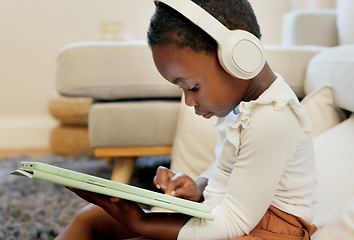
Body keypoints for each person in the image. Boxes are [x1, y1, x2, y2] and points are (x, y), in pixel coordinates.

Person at [55, 0, 318, 239]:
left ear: (239, 58)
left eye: (191, 86)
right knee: (91, 218)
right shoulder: (244, 107)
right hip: (231, 219)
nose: (189, 101)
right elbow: (231, 169)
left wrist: (140, 223)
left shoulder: (272, 117)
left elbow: (234, 222)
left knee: (124, 226)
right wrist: (200, 185)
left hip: (262, 232)